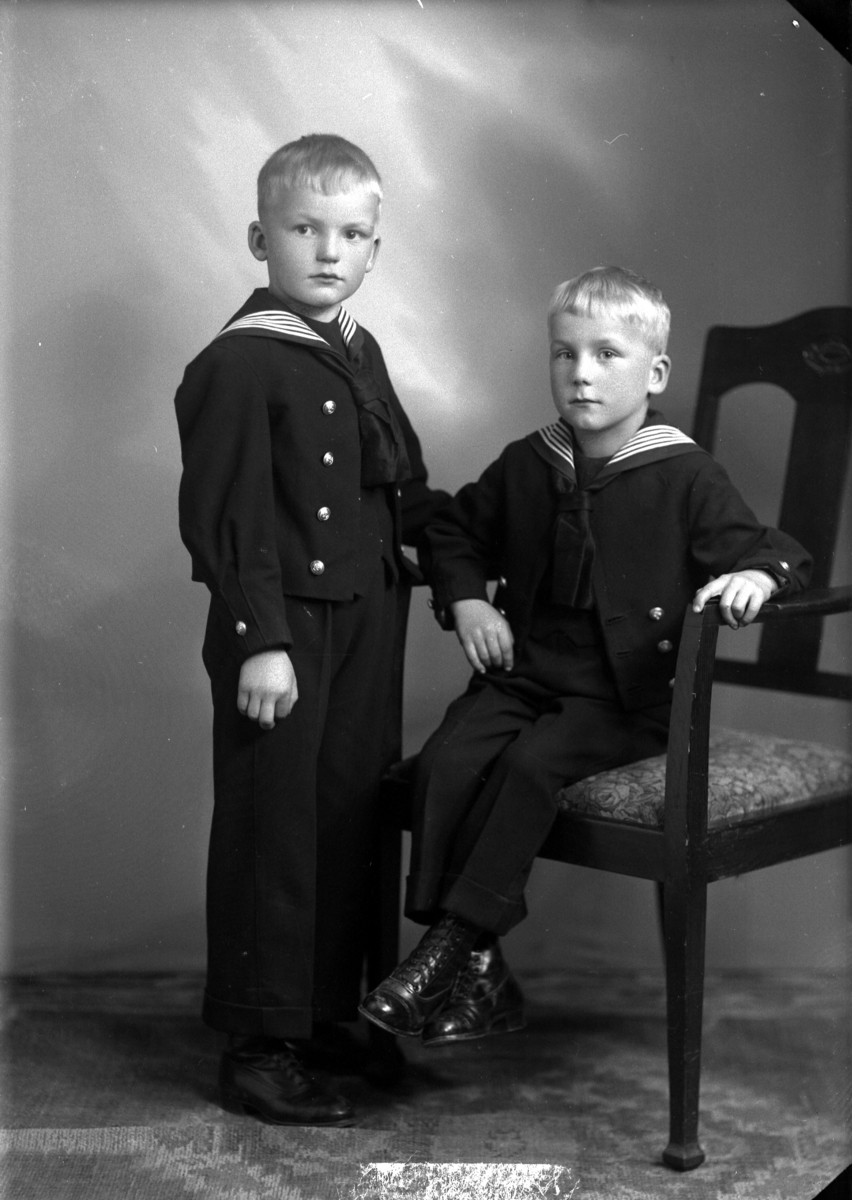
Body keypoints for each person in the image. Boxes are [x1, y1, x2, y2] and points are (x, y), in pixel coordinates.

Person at [360, 265, 812, 1048]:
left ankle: (444, 952)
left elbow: (775, 550)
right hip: (525, 677)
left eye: (606, 355)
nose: (582, 373)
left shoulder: (685, 474)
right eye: (565, 354)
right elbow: (453, 532)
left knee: (529, 765)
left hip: (623, 699)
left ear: (654, 373)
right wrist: (467, 600)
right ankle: (481, 965)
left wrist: (755, 576)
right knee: (445, 760)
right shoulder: (529, 462)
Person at [174, 134, 449, 1126]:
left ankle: (324, 1014)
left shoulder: (358, 350)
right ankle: (258, 1045)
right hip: (285, 631)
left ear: (375, 247)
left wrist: (471, 564)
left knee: (346, 817)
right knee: (275, 827)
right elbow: (228, 512)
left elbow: (401, 486)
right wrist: (260, 638)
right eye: (303, 230)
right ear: (261, 239)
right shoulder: (240, 361)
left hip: (370, 619)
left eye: (352, 235)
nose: (329, 252)